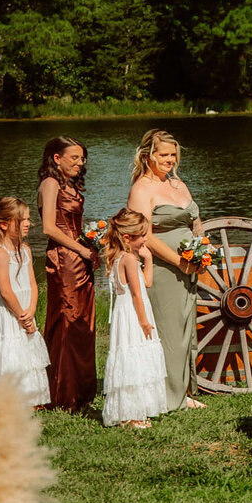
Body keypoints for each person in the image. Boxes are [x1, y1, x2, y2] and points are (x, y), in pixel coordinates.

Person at [127, 129, 205, 411]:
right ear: (148, 155)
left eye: (173, 154)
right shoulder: (141, 189)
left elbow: (195, 219)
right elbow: (143, 235)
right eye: (164, 155)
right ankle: (168, 398)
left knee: (186, 327)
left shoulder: (177, 184)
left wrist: (201, 249)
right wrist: (179, 261)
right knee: (169, 330)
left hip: (189, 265)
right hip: (162, 267)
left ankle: (183, 391)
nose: (170, 160)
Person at [37, 136, 97, 412]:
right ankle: (63, 394)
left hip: (79, 257)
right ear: (56, 158)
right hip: (63, 259)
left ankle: (83, 391)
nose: (79, 162)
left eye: (82, 158)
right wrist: (81, 250)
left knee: (84, 324)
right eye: (74, 157)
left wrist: (92, 245)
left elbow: (74, 225)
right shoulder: (50, 184)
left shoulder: (70, 184)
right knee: (66, 322)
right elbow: (49, 228)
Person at [0, 196, 50, 405]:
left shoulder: (25, 249)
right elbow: (7, 292)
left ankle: (30, 398)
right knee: (10, 354)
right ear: (4, 224)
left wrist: (32, 310)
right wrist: (22, 317)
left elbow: (33, 284)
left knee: (25, 355)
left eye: (28, 219)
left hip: (25, 310)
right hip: (7, 313)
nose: (28, 223)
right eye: (22, 220)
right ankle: (9, 400)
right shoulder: (0, 253)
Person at [101, 208, 169, 431]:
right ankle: (131, 417)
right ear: (127, 237)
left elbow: (146, 283)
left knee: (133, 361)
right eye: (142, 235)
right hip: (133, 312)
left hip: (126, 312)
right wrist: (143, 321)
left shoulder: (122, 257)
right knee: (135, 360)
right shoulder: (128, 259)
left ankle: (131, 412)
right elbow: (137, 294)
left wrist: (148, 259)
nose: (146, 239)